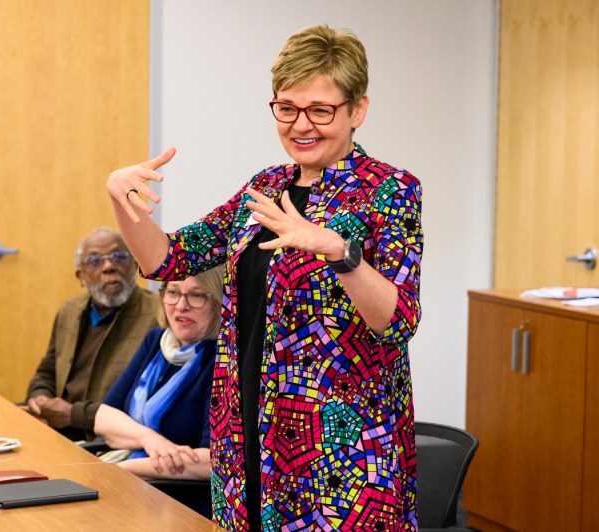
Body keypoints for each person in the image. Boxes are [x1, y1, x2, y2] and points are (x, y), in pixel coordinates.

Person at [106, 25, 423, 531]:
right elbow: (168, 259)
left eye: (321, 110)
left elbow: (399, 320)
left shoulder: (388, 190)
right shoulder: (266, 187)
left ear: (357, 110)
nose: (302, 125)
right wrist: (123, 200)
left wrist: (340, 253)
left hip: (340, 452)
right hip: (247, 435)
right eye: (287, 107)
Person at [92, 268, 223, 516]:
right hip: (133, 484)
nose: (181, 305)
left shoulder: (222, 360)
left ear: (218, 300)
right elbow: (104, 417)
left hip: (179, 504)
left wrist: (125, 468)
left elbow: (212, 462)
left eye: (196, 295)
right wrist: (149, 439)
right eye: (173, 292)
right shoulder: (157, 341)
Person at [22, 227, 159, 441]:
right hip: (58, 430)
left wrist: (72, 415)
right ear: (81, 276)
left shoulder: (157, 315)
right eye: (95, 261)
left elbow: (143, 401)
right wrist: (40, 400)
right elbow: (47, 371)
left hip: (108, 440)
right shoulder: (70, 309)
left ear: (135, 265)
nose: (109, 267)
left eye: (119, 257)